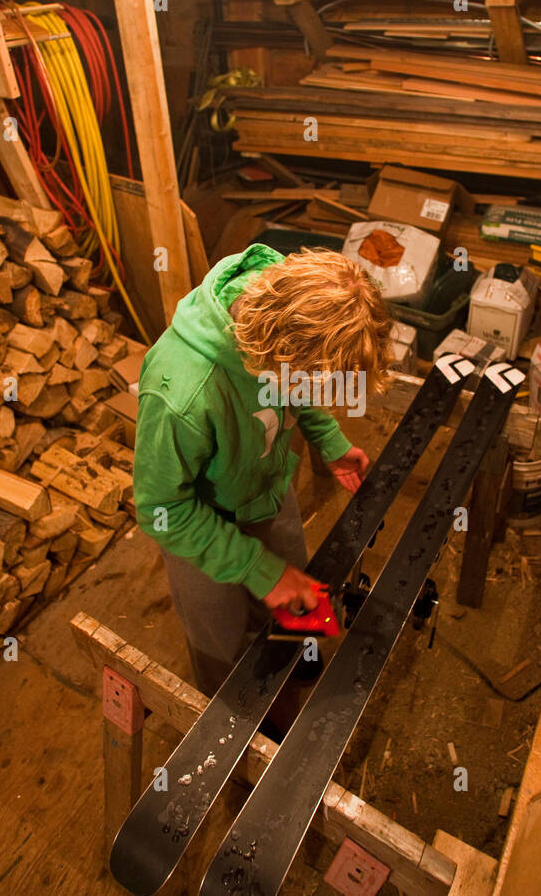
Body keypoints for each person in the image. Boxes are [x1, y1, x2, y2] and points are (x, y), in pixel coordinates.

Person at [133, 243, 393, 706]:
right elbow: (161, 508)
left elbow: (297, 383)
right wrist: (257, 570)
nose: (316, 394)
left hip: (266, 488)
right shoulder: (184, 392)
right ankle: (234, 724)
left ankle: (284, 682)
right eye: (310, 383)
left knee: (292, 588)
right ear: (277, 356)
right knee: (221, 638)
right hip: (198, 524)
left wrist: (329, 441)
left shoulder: (280, 298)